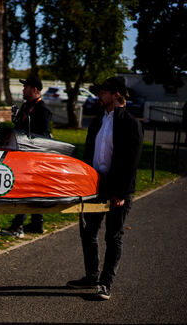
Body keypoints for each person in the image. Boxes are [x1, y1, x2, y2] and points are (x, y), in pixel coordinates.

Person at [67, 76, 143, 300]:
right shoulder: (98, 120)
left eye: (103, 92)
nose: (99, 95)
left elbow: (131, 161)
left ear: (117, 95)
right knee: (88, 232)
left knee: (113, 236)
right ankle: (91, 276)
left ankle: (105, 283)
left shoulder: (130, 123)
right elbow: (89, 154)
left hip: (117, 191)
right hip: (94, 187)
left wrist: (120, 192)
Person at [1, 75, 52, 238]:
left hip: (35, 157)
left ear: (35, 90)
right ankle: (37, 223)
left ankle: (18, 226)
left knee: (26, 190)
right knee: (33, 190)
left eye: (26, 87)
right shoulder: (25, 107)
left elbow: (43, 137)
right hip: (23, 155)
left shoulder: (43, 110)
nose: (23, 90)